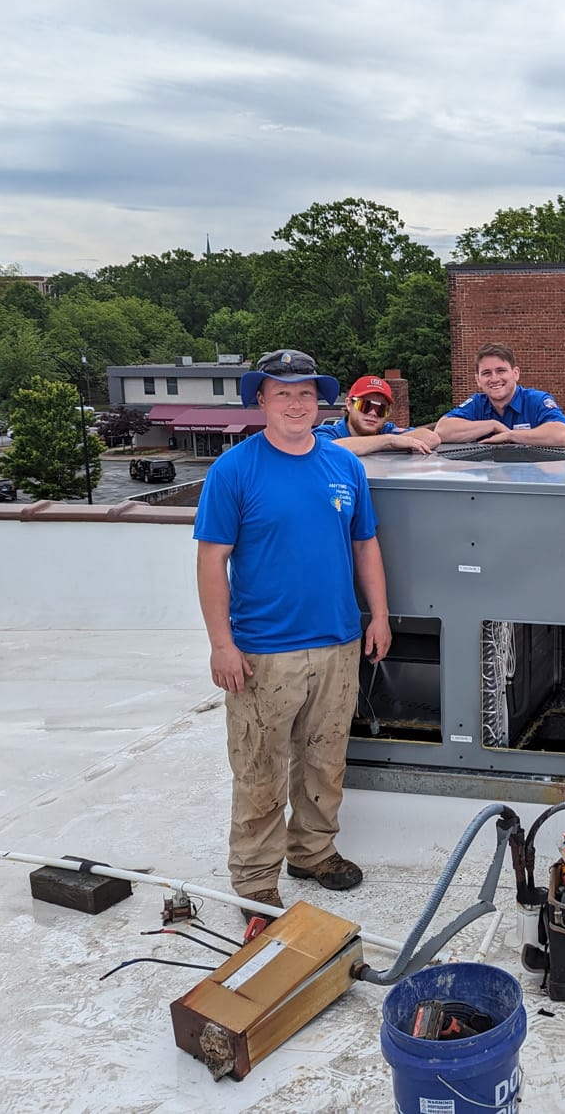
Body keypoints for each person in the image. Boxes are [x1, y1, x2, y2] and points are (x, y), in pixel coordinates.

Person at [194, 348, 393, 918]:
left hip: (337, 640)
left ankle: (312, 852)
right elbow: (213, 562)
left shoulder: (343, 465)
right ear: (260, 399)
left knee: (324, 760)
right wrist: (221, 644)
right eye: (282, 392)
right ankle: (256, 880)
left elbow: (365, 544)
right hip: (262, 652)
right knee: (260, 769)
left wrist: (377, 615)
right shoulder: (234, 470)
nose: (296, 402)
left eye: (306, 392)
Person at [435, 343, 565, 447]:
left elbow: (562, 435)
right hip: (492, 481)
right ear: (478, 380)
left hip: (532, 480)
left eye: (501, 371)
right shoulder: (477, 404)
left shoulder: (536, 400)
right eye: (487, 373)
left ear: (515, 374)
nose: (494, 379)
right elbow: (442, 430)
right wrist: (492, 425)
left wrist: (510, 435)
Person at [315, 375, 441, 455]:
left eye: (381, 409)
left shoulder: (387, 430)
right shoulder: (327, 433)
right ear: (349, 404)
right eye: (366, 406)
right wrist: (388, 441)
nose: (373, 413)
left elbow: (432, 438)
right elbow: (329, 449)